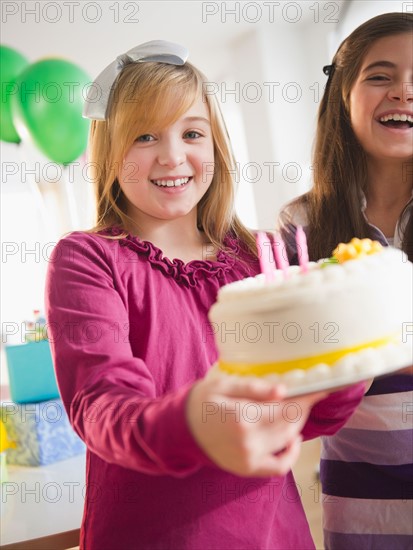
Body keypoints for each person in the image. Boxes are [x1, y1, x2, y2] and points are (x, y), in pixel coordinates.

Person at [45, 41, 366, 550]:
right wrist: (198, 421)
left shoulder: (259, 257)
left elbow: (309, 415)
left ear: (214, 145)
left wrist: (349, 359)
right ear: (109, 151)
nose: (173, 156)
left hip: (272, 535)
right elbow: (101, 407)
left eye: (192, 133)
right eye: (144, 135)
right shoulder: (88, 259)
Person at [278, 13, 413, 550]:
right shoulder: (302, 223)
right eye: (380, 76)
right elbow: (299, 358)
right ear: (343, 95)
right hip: (359, 480)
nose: (403, 90)